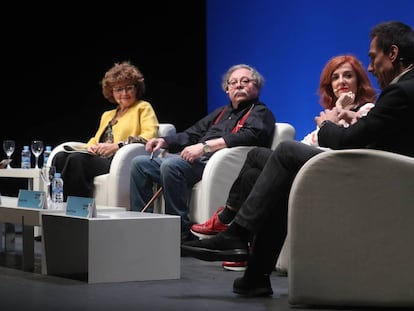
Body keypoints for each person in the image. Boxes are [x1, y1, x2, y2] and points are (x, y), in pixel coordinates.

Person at [181, 20, 414, 296]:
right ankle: (254, 274)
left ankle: (237, 233)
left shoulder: (401, 90)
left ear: (393, 53)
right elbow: (373, 134)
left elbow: (348, 140)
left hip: (381, 180)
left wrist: (328, 124)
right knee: (268, 171)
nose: (372, 67)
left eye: (373, 58)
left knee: (287, 151)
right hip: (377, 171)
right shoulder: (403, 89)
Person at [190, 54, 377, 271]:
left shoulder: (366, 111)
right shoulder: (328, 116)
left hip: (331, 173)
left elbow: (345, 143)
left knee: (257, 155)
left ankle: (228, 218)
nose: (341, 81)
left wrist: (337, 114)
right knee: (252, 175)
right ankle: (246, 256)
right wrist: (333, 117)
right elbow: (307, 143)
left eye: (348, 76)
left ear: (359, 81)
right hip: (311, 170)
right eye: (335, 78)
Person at [129, 64, 276, 243]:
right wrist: (164, 142)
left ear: (257, 86)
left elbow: (251, 135)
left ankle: (180, 234)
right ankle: (142, 227)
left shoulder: (261, 112)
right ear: (227, 89)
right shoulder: (221, 112)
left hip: (217, 164)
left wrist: (204, 147)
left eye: (245, 81)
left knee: (171, 165)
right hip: (196, 161)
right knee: (140, 164)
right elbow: (192, 133)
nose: (238, 85)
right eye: (233, 82)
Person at [53, 61, 159, 200]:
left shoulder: (143, 107)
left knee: (76, 160)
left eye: (129, 88)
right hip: (99, 158)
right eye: (119, 89)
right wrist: (91, 147)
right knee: (60, 157)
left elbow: (149, 135)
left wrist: (117, 146)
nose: (124, 93)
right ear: (111, 92)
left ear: (137, 88)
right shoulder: (108, 115)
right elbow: (95, 140)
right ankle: (57, 204)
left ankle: (77, 209)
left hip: (119, 160)